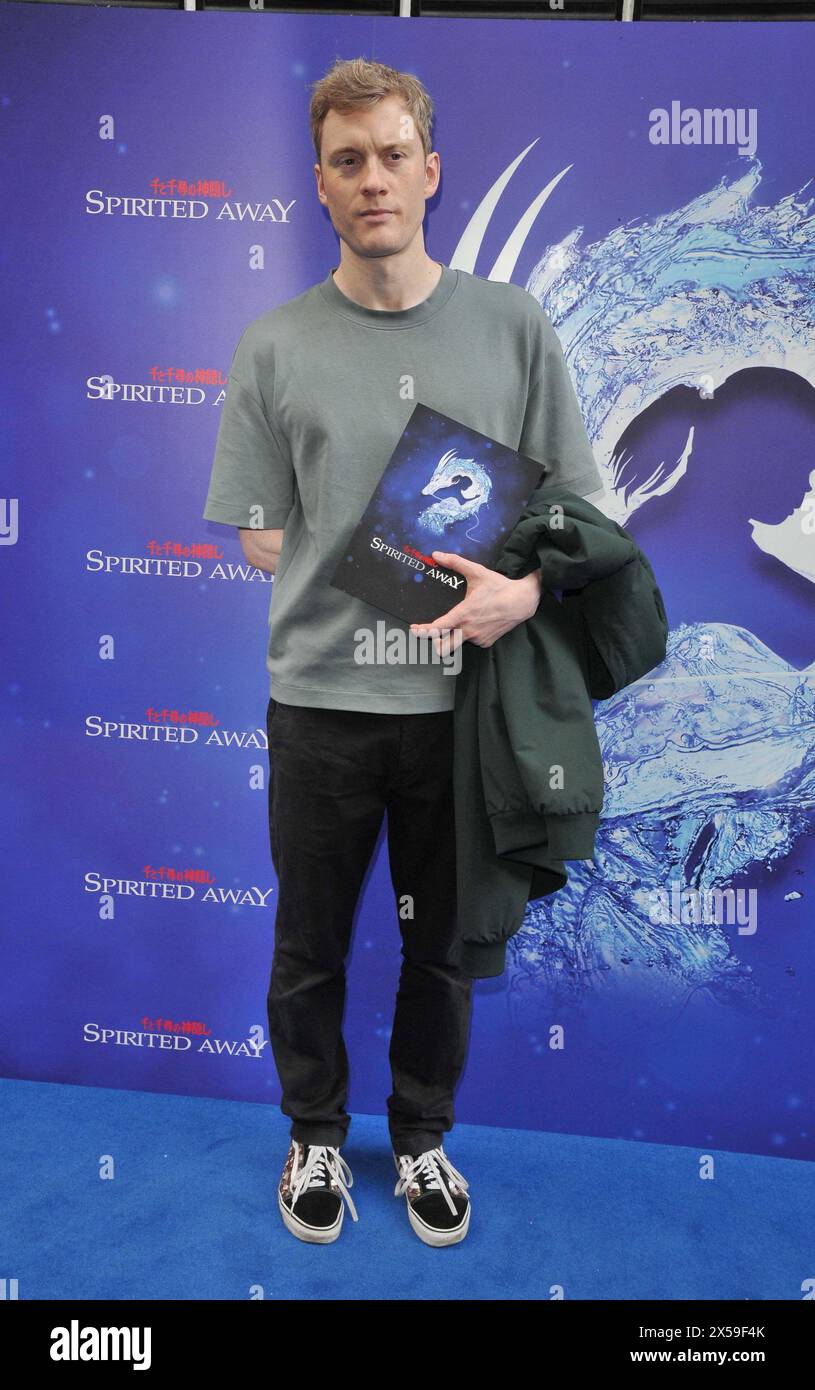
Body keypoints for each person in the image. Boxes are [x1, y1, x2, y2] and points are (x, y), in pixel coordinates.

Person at [202, 56, 606, 1248]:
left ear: (430, 171)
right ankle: (314, 1138)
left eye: (391, 155)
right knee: (307, 946)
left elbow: (579, 510)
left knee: (440, 948)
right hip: (321, 703)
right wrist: (352, 564)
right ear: (316, 186)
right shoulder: (273, 344)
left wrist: (517, 595)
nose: (370, 179)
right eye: (345, 161)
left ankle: (422, 1141)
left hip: (457, 712)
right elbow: (254, 526)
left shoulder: (511, 326)